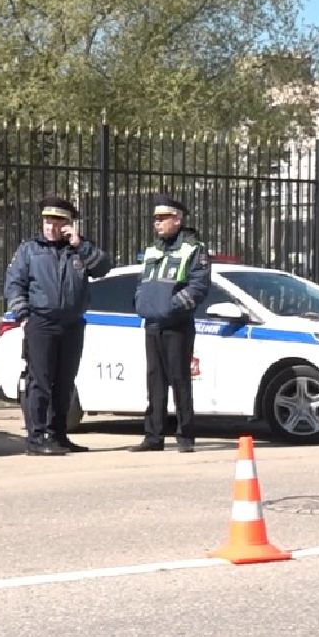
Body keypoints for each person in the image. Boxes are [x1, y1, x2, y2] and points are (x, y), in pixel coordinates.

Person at [3, 196, 112, 456]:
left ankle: (59, 434)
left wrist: (80, 243)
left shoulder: (79, 250)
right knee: (40, 381)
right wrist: (23, 314)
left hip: (72, 324)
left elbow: (104, 268)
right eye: (47, 221)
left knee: (65, 381)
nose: (50, 226)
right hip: (41, 322)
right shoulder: (29, 249)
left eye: (57, 221)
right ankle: (36, 437)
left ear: (68, 224)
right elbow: (13, 283)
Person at [132, 193, 211, 453]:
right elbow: (143, 282)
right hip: (153, 323)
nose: (157, 223)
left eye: (162, 218)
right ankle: (153, 436)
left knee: (179, 379)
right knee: (154, 381)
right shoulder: (153, 249)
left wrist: (171, 307)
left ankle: (186, 435)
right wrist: (141, 303)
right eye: (155, 219)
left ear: (177, 219)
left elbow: (199, 287)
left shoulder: (193, 249)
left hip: (177, 324)